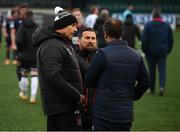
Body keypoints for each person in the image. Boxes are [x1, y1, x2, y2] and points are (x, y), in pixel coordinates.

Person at [85, 18, 149, 131]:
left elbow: (89, 81)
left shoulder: (102, 54)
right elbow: (145, 82)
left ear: (105, 34)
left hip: (103, 114)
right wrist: (133, 95)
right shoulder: (136, 56)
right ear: (122, 33)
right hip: (125, 115)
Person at [32, 6, 85, 131]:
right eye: (72, 25)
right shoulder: (52, 45)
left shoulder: (61, 43)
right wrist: (76, 95)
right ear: (62, 26)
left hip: (66, 106)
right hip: (61, 109)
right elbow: (53, 76)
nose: (75, 29)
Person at [141, 8, 173, 95]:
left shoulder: (148, 25)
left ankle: (151, 89)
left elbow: (144, 40)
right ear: (160, 15)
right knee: (162, 69)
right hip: (162, 51)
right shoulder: (166, 25)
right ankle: (161, 87)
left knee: (151, 70)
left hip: (150, 51)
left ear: (152, 16)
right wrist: (168, 50)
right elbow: (170, 40)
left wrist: (144, 50)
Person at [16, 10, 39, 103]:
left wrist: (21, 51)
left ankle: (24, 93)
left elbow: (18, 41)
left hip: (24, 55)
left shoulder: (22, 26)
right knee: (34, 75)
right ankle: (33, 97)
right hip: (34, 56)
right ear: (32, 17)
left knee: (24, 75)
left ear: (25, 16)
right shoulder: (37, 27)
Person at [77, 27, 97, 130]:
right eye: (87, 38)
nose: (90, 41)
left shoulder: (100, 58)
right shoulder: (71, 57)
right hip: (75, 110)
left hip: (94, 112)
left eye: (93, 38)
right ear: (78, 40)